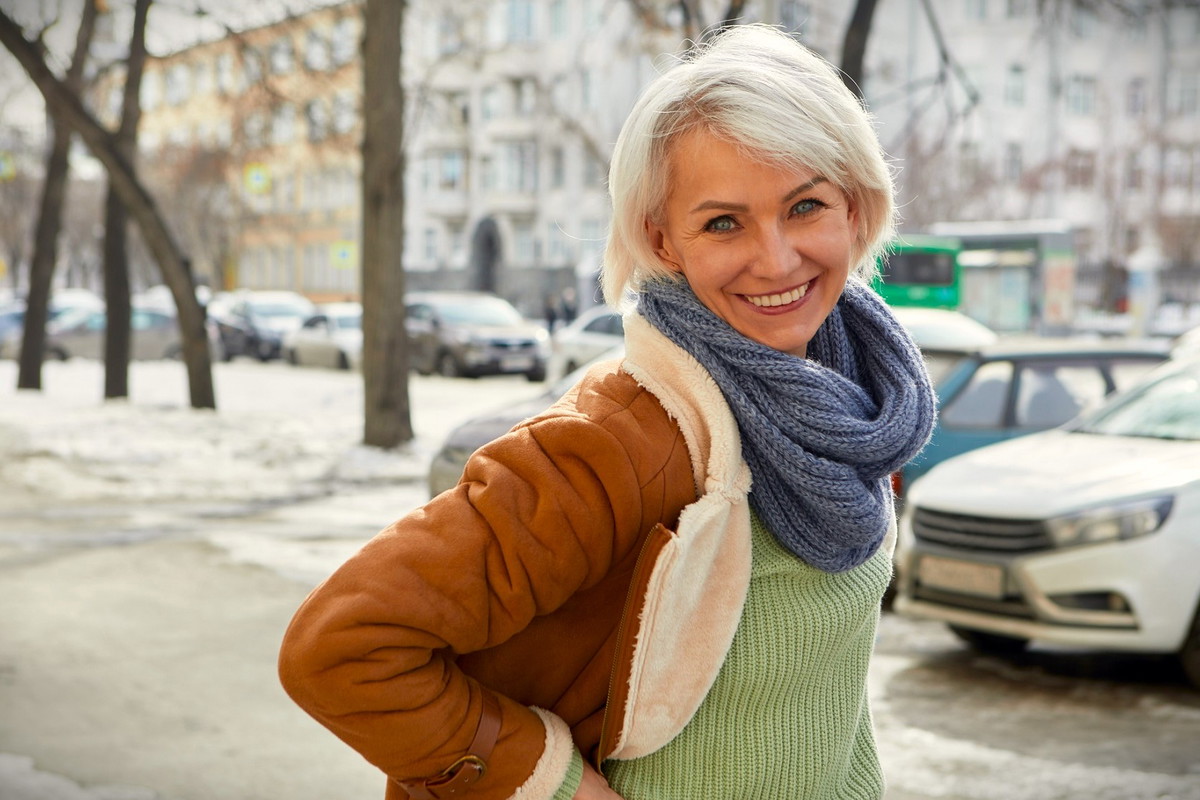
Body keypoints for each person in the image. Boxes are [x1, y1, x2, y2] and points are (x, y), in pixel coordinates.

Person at [279, 23, 935, 800]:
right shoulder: (620, 441)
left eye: (805, 206)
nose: (777, 257)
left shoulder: (857, 402)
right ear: (663, 240)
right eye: (723, 222)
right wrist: (556, 786)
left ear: (855, 208)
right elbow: (338, 647)